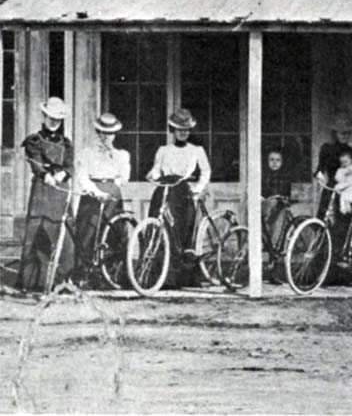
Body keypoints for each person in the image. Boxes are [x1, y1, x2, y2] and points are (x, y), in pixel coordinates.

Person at [145, 108, 212, 287]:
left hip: (183, 192)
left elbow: (206, 171)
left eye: (186, 130)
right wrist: (152, 174)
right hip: (165, 190)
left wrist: (198, 188)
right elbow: (157, 168)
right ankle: (161, 276)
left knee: (182, 232)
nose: (183, 133)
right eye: (179, 129)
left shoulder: (196, 150)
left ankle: (182, 276)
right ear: (172, 130)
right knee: (161, 228)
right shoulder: (163, 150)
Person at [18, 97, 74, 293]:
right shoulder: (34, 140)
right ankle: (32, 283)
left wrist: (63, 174)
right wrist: (46, 175)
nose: (53, 122)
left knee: (61, 235)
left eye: (57, 119)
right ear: (44, 116)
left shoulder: (66, 143)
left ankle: (61, 282)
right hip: (42, 192)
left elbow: (70, 165)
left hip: (60, 193)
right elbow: (35, 161)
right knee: (37, 234)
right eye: (50, 118)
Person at [73, 112, 132, 279]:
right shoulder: (87, 153)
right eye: (103, 132)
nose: (107, 137)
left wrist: (112, 188)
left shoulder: (121, 155)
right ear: (98, 133)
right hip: (92, 194)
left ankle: (114, 274)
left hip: (113, 195)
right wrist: (95, 191)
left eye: (110, 133)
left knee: (115, 235)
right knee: (88, 233)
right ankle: (86, 275)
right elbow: (82, 175)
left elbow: (124, 176)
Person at [315, 111, 352, 217]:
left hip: (348, 188)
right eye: (341, 132)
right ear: (335, 133)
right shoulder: (327, 148)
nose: (344, 135)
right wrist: (319, 175)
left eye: (347, 132)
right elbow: (320, 168)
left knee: (346, 218)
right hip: (332, 187)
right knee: (325, 218)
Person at [261, 150, 290, 251]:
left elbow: (284, 191)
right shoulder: (264, 175)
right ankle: (263, 240)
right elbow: (262, 189)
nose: (274, 163)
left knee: (275, 224)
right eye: (271, 160)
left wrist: (277, 196)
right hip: (267, 203)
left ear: (282, 162)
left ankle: (273, 245)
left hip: (279, 203)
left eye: (278, 160)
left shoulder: (284, 175)